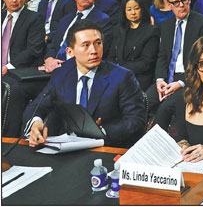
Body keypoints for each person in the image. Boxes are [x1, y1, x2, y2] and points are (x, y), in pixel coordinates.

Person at [24, 20, 146, 148]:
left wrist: (102, 132)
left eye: (98, 43)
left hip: (105, 147)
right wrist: (36, 123)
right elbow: (37, 105)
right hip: (66, 146)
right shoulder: (61, 73)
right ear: (70, 52)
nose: (94, 51)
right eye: (86, 45)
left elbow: (136, 121)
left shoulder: (122, 77)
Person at [147, 0, 203, 131]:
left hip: (190, 78)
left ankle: (157, 148)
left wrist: (180, 83)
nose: (181, 5)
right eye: (176, 3)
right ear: (170, 5)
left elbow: (202, 60)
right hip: (168, 78)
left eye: (184, 0)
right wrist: (160, 80)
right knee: (143, 101)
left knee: (166, 107)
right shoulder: (166, 25)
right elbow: (162, 56)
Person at [1, 0, 45, 137]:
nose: (14, 0)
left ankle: (7, 137)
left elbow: (34, 50)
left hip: (20, 71)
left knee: (10, 88)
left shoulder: (34, 18)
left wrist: (8, 66)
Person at [44, 0, 113, 73]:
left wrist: (62, 65)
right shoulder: (66, 19)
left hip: (77, 70)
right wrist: (49, 59)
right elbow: (54, 44)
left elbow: (96, 53)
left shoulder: (102, 20)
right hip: (53, 67)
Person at [108, 0, 160, 91]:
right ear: (124, 11)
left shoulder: (151, 31)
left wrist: (120, 69)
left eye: (136, 8)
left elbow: (146, 63)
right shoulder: (119, 30)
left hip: (139, 79)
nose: (133, 12)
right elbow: (111, 56)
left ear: (142, 9)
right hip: (117, 76)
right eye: (129, 9)